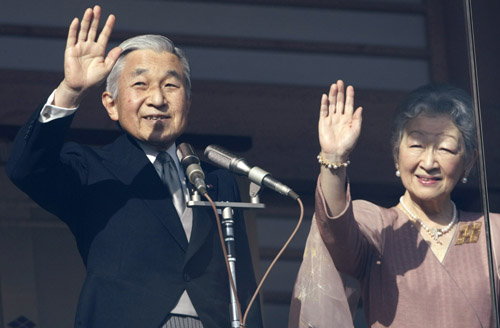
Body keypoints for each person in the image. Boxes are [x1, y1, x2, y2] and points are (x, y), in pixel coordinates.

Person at [6, 6, 262, 328]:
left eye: (171, 86)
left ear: (188, 101)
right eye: (140, 85)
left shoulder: (217, 179)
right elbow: (26, 168)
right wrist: (70, 91)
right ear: (111, 105)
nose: (157, 98)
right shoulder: (91, 168)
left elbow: (243, 284)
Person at [289, 80, 500, 327]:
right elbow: (336, 231)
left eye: (445, 148)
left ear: (470, 161)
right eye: (416, 145)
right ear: (395, 154)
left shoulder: (492, 231)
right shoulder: (377, 224)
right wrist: (334, 159)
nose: (429, 162)